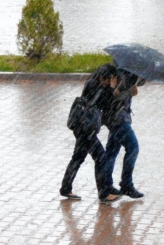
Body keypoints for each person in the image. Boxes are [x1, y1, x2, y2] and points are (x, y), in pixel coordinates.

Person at [60, 64, 120, 203]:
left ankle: (65, 188)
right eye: (110, 79)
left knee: (78, 158)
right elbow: (107, 104)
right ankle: (104, 193)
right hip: (86, 129)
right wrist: (111, 89)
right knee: (101, 157)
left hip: (81, 126)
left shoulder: (93, 82)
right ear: (106, 77)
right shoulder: (97, 87)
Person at [100, 69, 145, 199]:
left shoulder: (128, 71)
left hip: (116, 118)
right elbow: (114, 98)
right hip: (118, 119)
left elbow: (139, 83)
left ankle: (106, 186)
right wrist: (130, 92)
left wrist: (140, 78)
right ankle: (126, 184)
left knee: (111, 152)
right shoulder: (121, 73)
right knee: (133, 147)